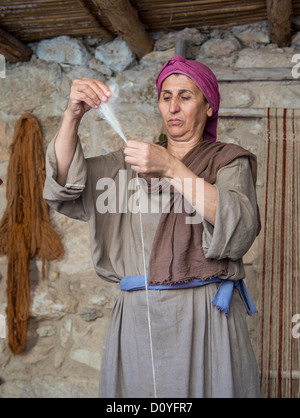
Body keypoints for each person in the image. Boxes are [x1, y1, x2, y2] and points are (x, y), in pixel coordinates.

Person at [43, 55, 261, 398]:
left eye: (186, 97)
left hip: (205, 318)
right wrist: (72, 116)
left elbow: (238, 223)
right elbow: (66, 183)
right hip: (138, 320)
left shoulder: (228, 161)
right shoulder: (128, 165)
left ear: (208, 108)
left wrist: (171, 168)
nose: (173, 107)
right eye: (166, 96)